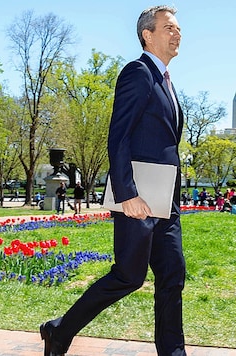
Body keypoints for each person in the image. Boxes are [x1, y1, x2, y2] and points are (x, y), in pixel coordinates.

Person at [40, 6, 186, 356]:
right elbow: (117, 136)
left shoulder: (167, 81)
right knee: (129, 276)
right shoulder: (138, 73)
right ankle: (59, 332)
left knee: (172, 276)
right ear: (147, 35)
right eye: (169, 28)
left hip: (165, 199)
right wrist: (127, 195)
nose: (177, 34)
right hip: (139, 198)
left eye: (179, 28)